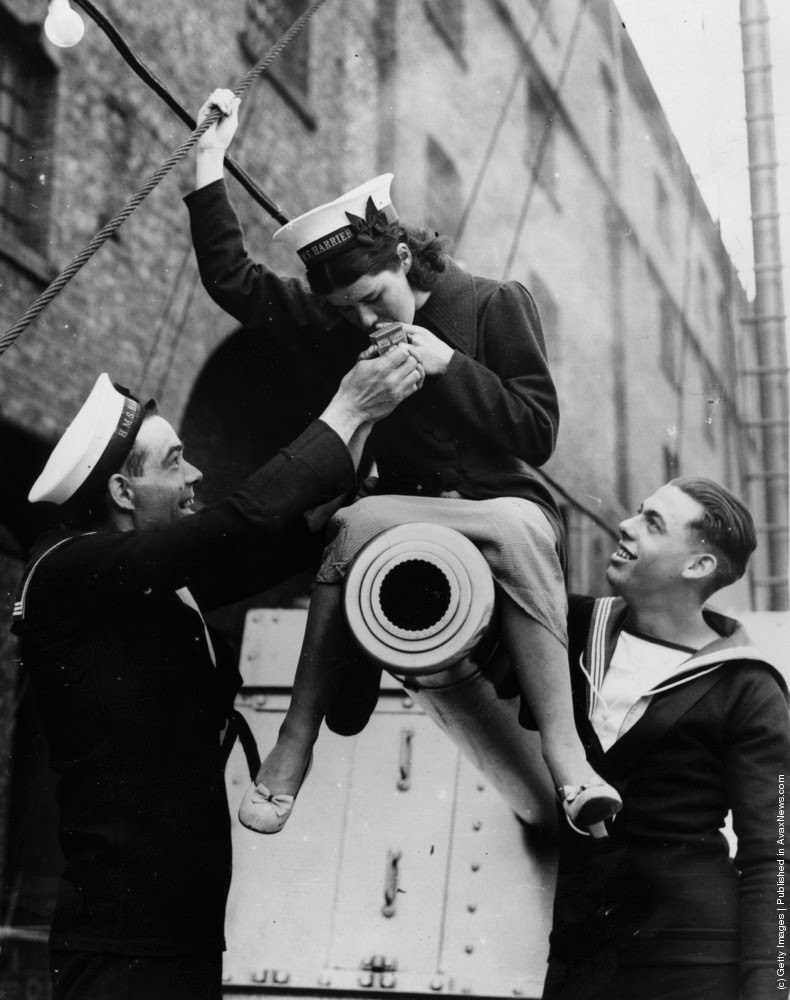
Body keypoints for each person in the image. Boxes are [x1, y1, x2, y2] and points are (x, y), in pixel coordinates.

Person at [184, 89, 621, 836]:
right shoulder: (342, 321)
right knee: (352, 523)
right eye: (347, 308)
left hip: (503, 507)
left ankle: (568, 758)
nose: (364, 319)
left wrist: (452, 365)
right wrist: (207, 163)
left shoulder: (492, 304)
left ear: (405, 255)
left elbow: (537, 431)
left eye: (372, 296)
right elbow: (235, 283)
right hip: (404, 511)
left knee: (516, 530)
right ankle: (295, 741)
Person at [11, 353, 422, 1000]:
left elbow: (281, 539)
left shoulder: (149, 582)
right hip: (121, 947)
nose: (196, 474)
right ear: (122, 492)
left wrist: (365, 476)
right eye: (176, 462)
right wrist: (345, 411)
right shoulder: (71, 570)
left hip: (184, 932)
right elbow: (240, 524)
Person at [542, 477, 790, 1000]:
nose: (626, 526)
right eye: (638, 511)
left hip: (692, 961)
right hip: (582, 953)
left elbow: (775, 854)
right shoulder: (570, 630)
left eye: (652, 523)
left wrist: (770, 987)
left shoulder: (747, 685)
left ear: (697, 566)